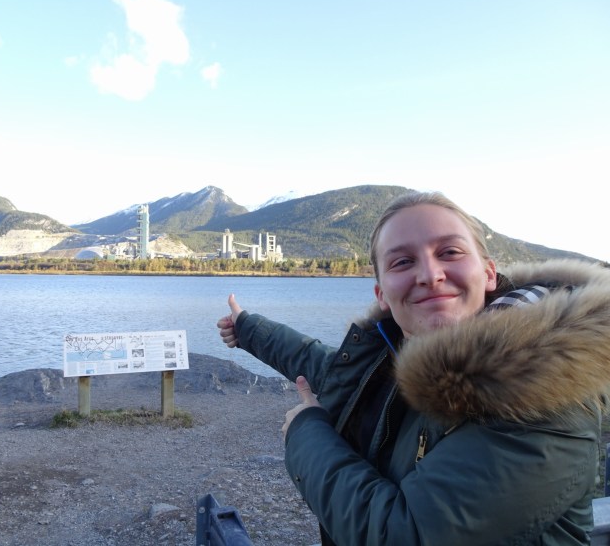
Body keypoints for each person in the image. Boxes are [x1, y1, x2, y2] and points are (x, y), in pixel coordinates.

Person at [217, 190, 610, 545]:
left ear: (489, 274)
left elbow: (401, 534)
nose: (429, 275)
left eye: (450, 252)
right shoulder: (396, 352)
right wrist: (248, 328)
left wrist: (305, 432)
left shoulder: (543, 394)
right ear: (381, 294)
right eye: (403, 261)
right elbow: (326, 367)